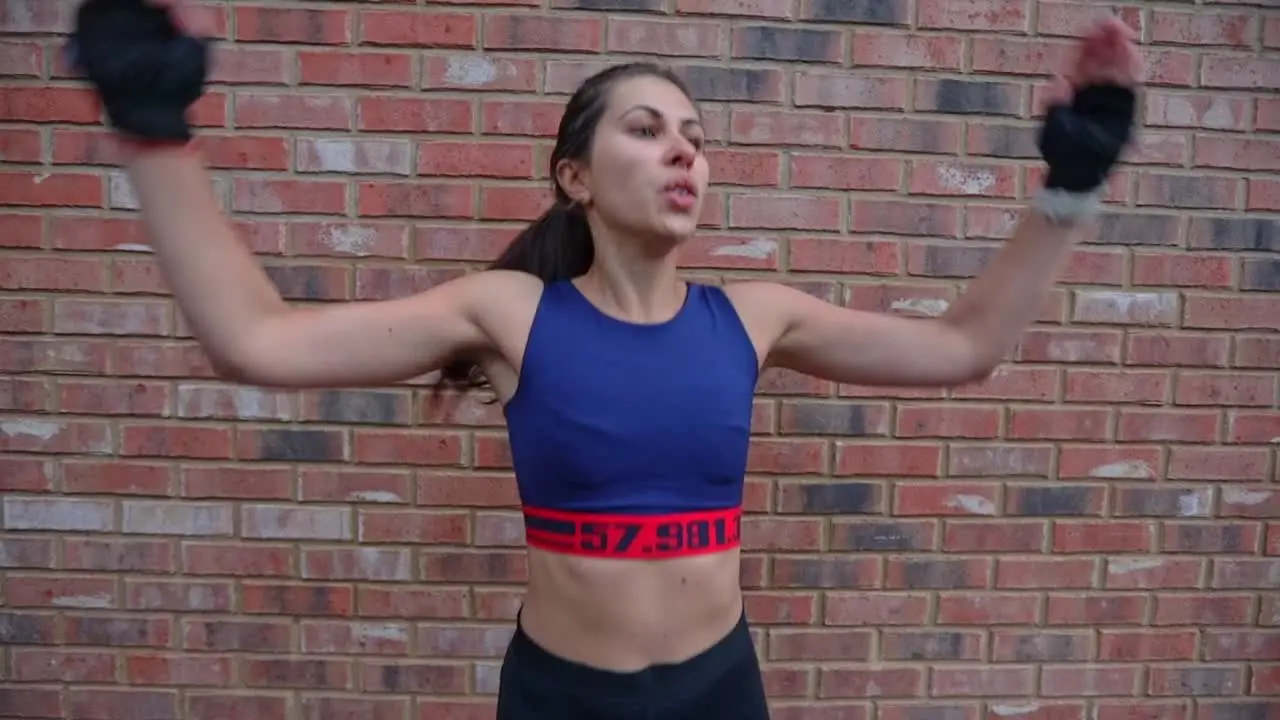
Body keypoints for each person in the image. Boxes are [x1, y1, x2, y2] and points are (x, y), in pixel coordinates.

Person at [69, 1, 1142, 717]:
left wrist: (1071, 186)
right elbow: (254, 343)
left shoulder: (753, 316)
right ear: (573, 178)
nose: (682, 148)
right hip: (562, 699)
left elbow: (964, 348)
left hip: (722, 690)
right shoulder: (510, 312)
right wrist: (152, 127)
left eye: (692, 133)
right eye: (643, 129)